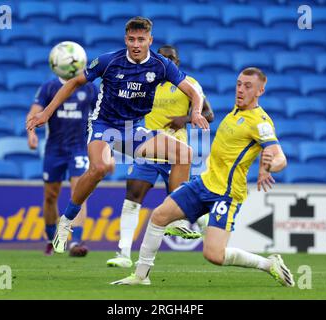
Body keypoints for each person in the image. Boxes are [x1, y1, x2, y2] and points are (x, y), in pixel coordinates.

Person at [26, 17, 209, 254]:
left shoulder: (161, 65)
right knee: (99, 168)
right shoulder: (109, 61)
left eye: (141, 39)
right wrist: (47, 113)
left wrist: (195, 112)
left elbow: (194, 92)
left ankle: (176, 219)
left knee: (184, 153)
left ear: (149, 40)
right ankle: (66, 221)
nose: (136, 44)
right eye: (131, 39)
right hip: (104, 126)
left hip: (133, 131)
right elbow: (73, 82)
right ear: (126, 39)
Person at [111, 67, 295, 287]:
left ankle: (268, 264)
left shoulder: (260, 122)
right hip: (204, 183)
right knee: (159, 216)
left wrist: (271, 166)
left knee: (214, 255)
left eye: (248, 86)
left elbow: (279, 156)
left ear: (260, 91)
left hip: (225, 194)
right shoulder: (236, 112)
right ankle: (141, 276)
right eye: (238, 84)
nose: (240, 90)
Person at [106, 44, 214, 268]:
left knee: (185, 202)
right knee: (133, 195)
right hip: (149, 150)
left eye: (170, 57)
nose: (166, 60)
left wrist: (183, 119)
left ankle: (215, 244)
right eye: (162, 57)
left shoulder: (189, 84)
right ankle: (124, 253)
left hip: (177, 155)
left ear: (177, 62)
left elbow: (208, 113)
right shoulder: (144, 83)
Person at [27, 45, 98, 256]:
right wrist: (31, 133)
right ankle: (51, 238)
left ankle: (75, 242)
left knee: (79, 193)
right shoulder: (49, 88)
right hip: (54, 150)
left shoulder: (90, 88)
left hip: (78, 149)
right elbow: (34, 112)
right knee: (50, 196)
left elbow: (100, 116)